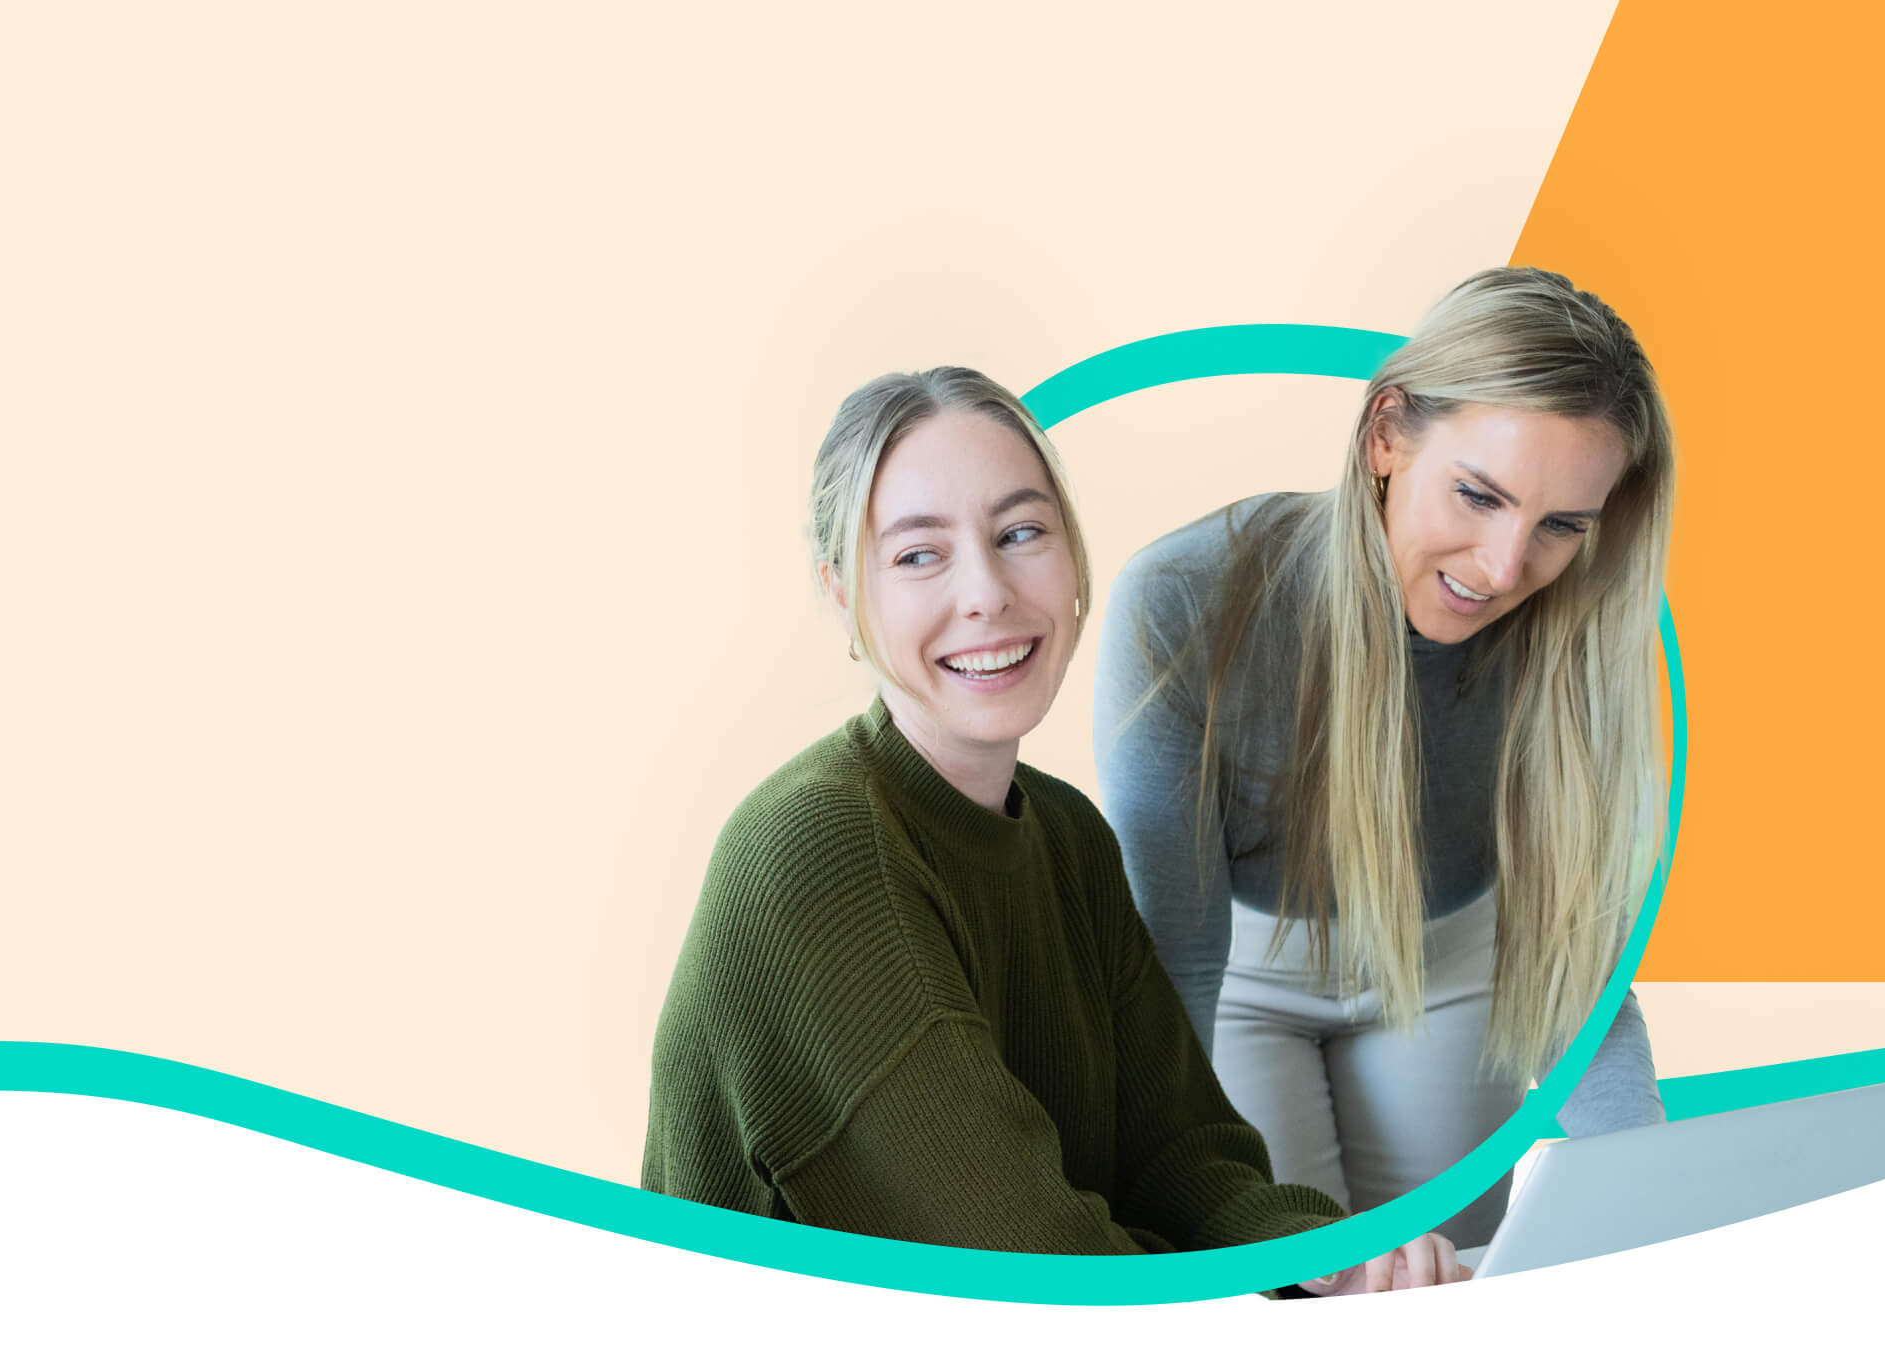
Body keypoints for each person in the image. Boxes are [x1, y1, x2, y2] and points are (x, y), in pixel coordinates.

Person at [644, 367, 1464, 1294]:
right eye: (919, 555)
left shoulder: (1069, 835)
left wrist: (1330, 1261)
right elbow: (1038, 1272)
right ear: (842, 596)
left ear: (1073, 558)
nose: (987, 592)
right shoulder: (811, 852)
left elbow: (1181, 1162)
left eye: (1021, 533)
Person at [1094, 267, 1677, 1249]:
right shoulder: (1182, 599)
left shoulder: (1578, 639)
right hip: (1239, 972)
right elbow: (1174, 963)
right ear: (1386, 435)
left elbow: (1578, 975)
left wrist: (1665, 1209)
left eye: (1559, 527)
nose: (1502, 569)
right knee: (1296, 1273)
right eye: (1479, 494)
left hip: (1451, 959)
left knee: (1451, 1273)